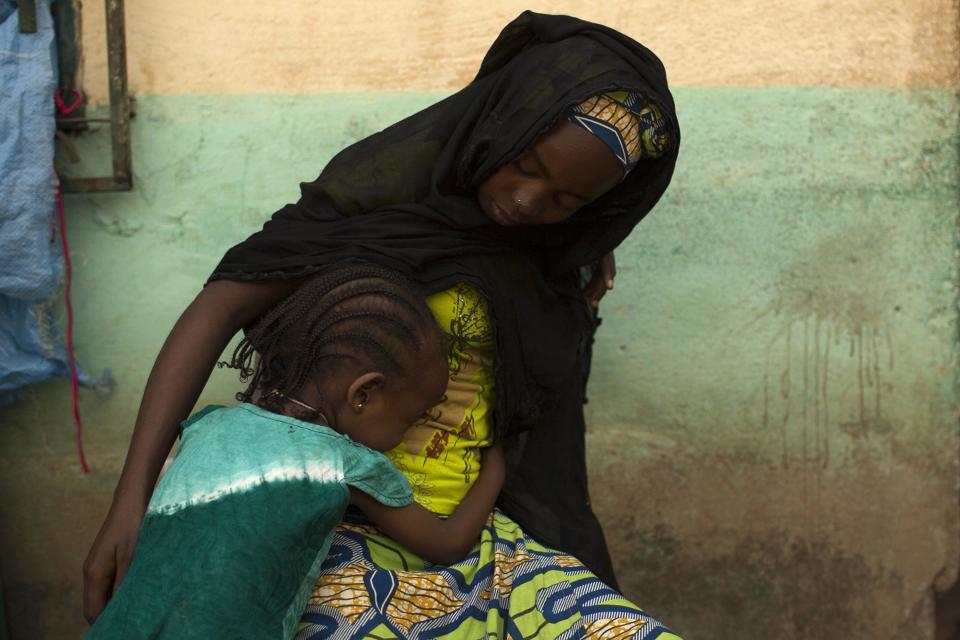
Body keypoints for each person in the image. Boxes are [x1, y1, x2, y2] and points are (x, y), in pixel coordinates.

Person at [83, 10, 683, 639]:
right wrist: (131, 503)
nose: (529, 201)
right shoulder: (377, 205)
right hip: (340, 526)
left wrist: (582, 241)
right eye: (525, 165)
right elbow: (221, 304)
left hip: (486, 530)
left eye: (567, 198)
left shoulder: (552, 254)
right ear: (498, 124)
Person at [86, 264, 506, 639]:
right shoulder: (342, 463)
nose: (409, 433)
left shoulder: (206, 425)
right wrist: (496, 467)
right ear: (363, 394)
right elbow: (447, 544)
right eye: (413, 418)